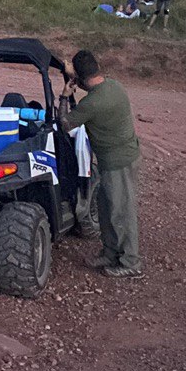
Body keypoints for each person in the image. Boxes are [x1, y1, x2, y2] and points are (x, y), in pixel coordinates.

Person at [65, 50, 142, 278]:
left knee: (122, 212)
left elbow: (65, 123)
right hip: (118, 160)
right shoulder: (114, 86)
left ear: (80, 78)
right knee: (108, 208)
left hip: (119, 163)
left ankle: (131, 262)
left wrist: (63, 94)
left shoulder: (93, 103)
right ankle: (110, 253)